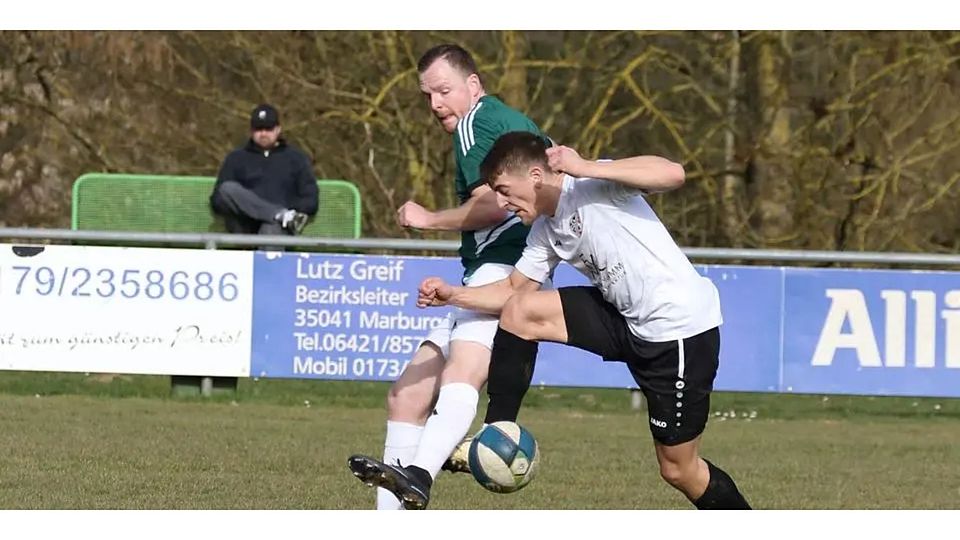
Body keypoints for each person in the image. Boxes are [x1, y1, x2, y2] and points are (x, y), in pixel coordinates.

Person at [403, 131, 752, 510]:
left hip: (678, 332)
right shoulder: (544, 231)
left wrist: (585, 165)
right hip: (625, 321)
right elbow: (512, 290)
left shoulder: (591, 180)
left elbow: (673, 173)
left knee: (679, 471)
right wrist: (454, 295)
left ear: (536, 175)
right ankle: (496, 431)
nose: (501, 203)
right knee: (521, 311)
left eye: (504, 190)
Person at [346, 44, 547, 510]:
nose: (435, 104)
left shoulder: (477, 122)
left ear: (473, 86)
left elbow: (498, 201)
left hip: (505, 267)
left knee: (462, 374)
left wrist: (427, 218)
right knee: (408, 394)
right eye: (428, 95)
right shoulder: (505, 121)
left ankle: (420, 474)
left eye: (444, 90)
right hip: (485, 269)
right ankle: (396, 506)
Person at [209, 104, 318, 236]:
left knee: (271, 229)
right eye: (258, 129)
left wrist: (291, 208)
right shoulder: (236, 158)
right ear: (251, 131)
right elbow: (218, 200)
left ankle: (280, 217)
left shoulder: (296, 158)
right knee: (227, 189)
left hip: (278, 229)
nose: (263, 133)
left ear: (278, 129)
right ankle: (278, 214)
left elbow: (310, 198)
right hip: (244, 226)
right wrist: (264, 211)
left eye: (268, 129)